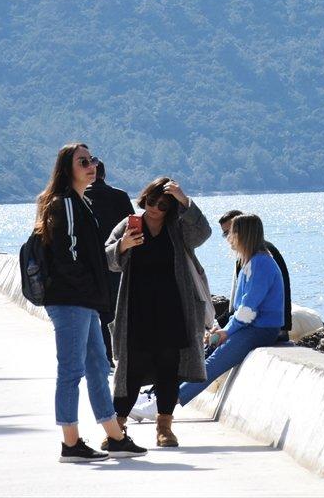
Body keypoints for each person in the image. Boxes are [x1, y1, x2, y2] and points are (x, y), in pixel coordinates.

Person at [35, 142, 145, 462]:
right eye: (82, 161)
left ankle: (115, 436)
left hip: (84, 301)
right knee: (71, 371)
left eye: (92, 159)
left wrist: (120, 246)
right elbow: (67, 257)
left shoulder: (80, 203)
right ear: (67, 169)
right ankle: (70, 443)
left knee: (98, 366)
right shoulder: (66, 203)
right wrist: (86, 290)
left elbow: (90, 254)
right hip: (71, 300)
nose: (91, 166)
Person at [105, 176, 213, 448]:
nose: (155, 208)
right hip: (136, 309)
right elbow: (107, 258)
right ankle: (117, 428)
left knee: (169, 368)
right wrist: (123, 246)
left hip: (173, 308)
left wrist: (184, 200)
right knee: (130, 369)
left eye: (163, 205)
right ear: (144, 199)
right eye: (152, 201)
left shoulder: (178, 227)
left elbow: (203, 233)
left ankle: (164, 427)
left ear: (171, 207)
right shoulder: (130, 224)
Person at [178, 214, 284, 407]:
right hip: (249, 327)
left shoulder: (261, 263)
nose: (228, 239)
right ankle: (156, 396)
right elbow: (242, 311)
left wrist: (227, 331)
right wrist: (223, 330)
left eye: (231, 233)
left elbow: (248, 309)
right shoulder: (250, 262)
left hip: (261, 330)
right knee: (202, 354)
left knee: (214, 362)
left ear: (243, 235)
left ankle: (165, 403)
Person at [84, 159, 134, 364]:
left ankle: (100, 354)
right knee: (115, 310)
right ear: (104, 174)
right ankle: (115, 353)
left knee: (93, 313)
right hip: (115, 259)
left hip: (88, 263)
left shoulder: (79, 197)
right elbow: (133, 227)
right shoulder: (120, 196)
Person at [219, 209, 292, 342]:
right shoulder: (247, 256)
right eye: (225, 234)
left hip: (261, 327)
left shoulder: (261, 256)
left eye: (233, 231)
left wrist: (284, 327)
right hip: (249, 323)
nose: (229, 237)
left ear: (245, 230)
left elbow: (258, 298)